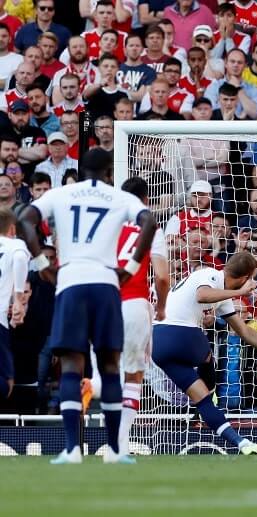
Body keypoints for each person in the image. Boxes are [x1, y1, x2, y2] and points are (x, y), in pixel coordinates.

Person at [17, 148, 157, 464]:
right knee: (110, 366)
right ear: (109, 172)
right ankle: (115, 452)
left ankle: (71, 449)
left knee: (71, 365)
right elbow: (149, 221)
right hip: (107, 284)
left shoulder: (61, 193)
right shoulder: (119, 198)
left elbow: (25, 217)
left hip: (71, 281)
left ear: (81, 171)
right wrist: (132, 268)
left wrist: (41, 263)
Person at [152, 251, 257, 454]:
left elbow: (244, 331)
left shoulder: (222, 296)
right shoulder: (210, 275)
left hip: (158, 345)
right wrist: (240, 293)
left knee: (202, 400)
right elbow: (202, 295)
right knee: (207, 354)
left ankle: (243, 444)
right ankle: (211, 388)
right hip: (178, 333)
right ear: (244, 278)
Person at [115, 177, 170, 455]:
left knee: (106, 371)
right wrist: (160, 307)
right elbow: (161, 277)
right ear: (146, 199)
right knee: (133, 375)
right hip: (134, 303)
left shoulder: (107, 225)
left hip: (101, 302)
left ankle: (90, 386)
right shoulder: (151, 227)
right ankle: (120, 446)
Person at [0, 208, 30, 406]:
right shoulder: (15, 244)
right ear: (12, 229)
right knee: (4, 385)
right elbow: (20, 258)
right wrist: (18, 299)